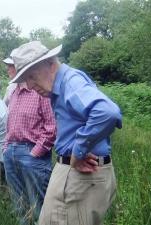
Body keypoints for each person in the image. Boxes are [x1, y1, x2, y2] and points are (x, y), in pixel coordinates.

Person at [10, 41, 122, 225]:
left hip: (81, 176)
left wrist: (78, 150)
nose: (29, 86)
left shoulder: (70, 81)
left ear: (50, 64)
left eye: (31, 76)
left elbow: (107, 112)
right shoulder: (63, 84)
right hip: (76, 174)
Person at [3, 68, 56, 225]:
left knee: (39, 205)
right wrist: (7, 147)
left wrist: (35, 152)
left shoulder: (41, 92)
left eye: (12, 66)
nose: (8, 70)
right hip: (11, 152)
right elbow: (10, 124)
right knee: (19, 206)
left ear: (23, 70)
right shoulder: (13, 92)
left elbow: (52, 127)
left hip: (32, 153)